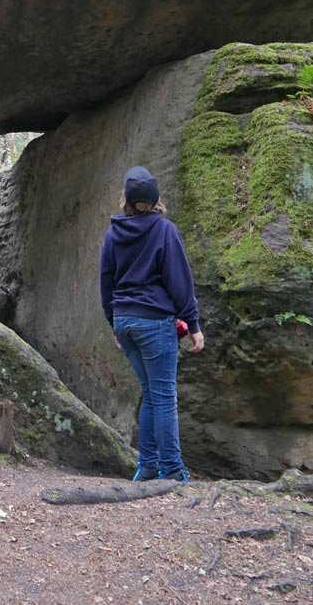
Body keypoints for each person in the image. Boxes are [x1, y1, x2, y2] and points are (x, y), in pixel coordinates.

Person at [100, 166, 204, 483]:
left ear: (126, 200)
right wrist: (194, 324)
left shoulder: (113, 233)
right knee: (163, 397)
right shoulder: (164, 231)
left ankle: (147, 467)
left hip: (124, 321)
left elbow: (106, 281)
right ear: (157, 198)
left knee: (150, 394)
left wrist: (114, 322)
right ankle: (172, 471)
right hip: (154, 322)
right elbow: (179, 282)